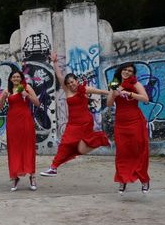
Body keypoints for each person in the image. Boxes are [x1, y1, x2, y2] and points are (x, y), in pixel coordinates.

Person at [40, 53, 110, 177]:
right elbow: (59, 75)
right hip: (73, 123)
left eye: (73, 82)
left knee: (69, 144)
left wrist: (114, 93)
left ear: (77, 81)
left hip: (85, 122)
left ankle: (53, 167)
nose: (71, 85)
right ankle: (54, 167)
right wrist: (55, 62)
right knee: (73, 147)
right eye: (69, 83)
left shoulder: (84, 89)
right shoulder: (67, 91)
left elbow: (101, 91)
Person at [106, 63, 150, 194]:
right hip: (121, 122)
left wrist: (130, 93)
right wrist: (114, 93)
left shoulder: (135, 83)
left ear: (133, 73)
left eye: (130, 71)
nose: (127, 72)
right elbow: (109, 104)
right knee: (122, 152)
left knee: (139, 150)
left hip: (135, 120)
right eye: (125, 69)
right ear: (120, 70)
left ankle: (144, 180)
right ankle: (122, 180)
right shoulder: (114, 83)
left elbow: (145, 99)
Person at [0, 70, 40, 191]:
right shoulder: (7, 90)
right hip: (12, 121)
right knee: (14, 148)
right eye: (13, 77)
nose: (15, 78)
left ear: (21, 78)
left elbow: (37, 103)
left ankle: (32, 175)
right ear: (10, 79)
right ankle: (15, 176)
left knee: (28, 147)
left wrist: (27, 95)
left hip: (25, 119)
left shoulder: (27, 87)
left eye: (18, 76)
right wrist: (3, 97)